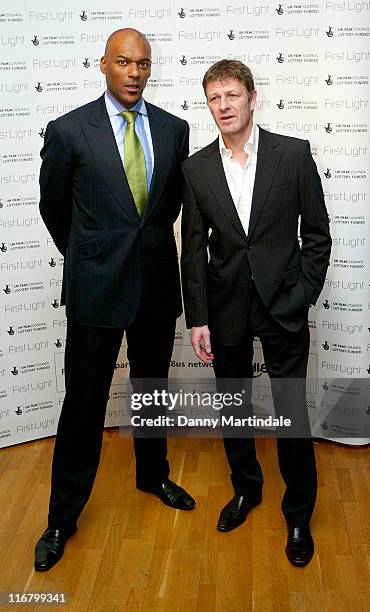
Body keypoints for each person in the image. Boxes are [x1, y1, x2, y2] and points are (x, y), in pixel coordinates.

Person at [35, 28, 195, 572]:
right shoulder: (68, 130)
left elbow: (166, 210)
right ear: (103, 64)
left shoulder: (175, 129)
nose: (134, 73)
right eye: (124, 62)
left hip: (154, 283)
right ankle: (61, 517)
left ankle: (153, 476)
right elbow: (55, 209)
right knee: (83, 403)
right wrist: (92, 254)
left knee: (151, 392)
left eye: (143, 64)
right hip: (95, 287)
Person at [181, 60, 331, 567]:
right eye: (213, 99)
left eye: (231, 95)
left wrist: (302, 294)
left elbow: (317, 235)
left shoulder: (293, 155)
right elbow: (193, 251)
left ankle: (298, 512)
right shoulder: (196, 168)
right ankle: (246, 489)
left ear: (251, 97)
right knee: (232, 407)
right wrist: (197, 317)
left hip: (283, 306)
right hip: (224, 310)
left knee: (292, 414)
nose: (222, 106)